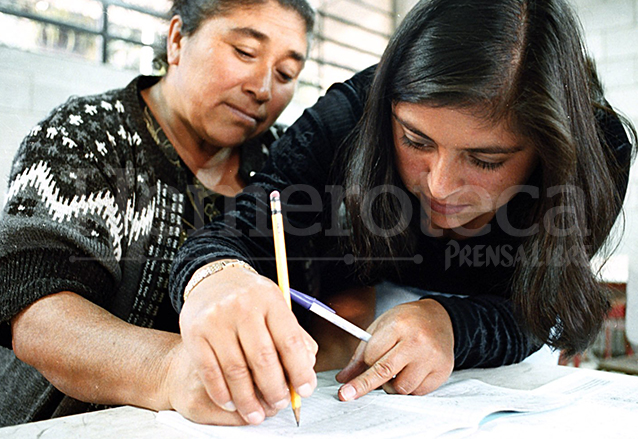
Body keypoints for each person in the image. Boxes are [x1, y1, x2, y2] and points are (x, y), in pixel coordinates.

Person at [169, 0, 637, 427]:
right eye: (415, 142)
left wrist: (454, 326)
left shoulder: (596, 154)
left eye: (486, 160)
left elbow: (541, 306)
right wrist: (218, 277)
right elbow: (232, 236)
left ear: (547, 151)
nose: (440, 185)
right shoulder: (349, 117)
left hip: (502, 388)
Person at [0, 0, 315, 427]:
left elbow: (342, 297)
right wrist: (169, 370)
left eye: (286, 75)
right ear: (177, 40)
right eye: (244, 51)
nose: (262, 87)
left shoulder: (285, 159)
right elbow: (38, 315)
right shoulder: (89, 135)